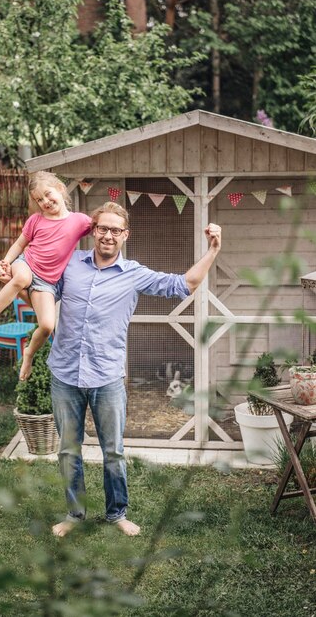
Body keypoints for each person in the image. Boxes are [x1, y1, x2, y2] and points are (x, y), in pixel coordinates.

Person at [46, 201, 222, 538]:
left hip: (107, 376)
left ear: (125, 235)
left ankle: (117, 514)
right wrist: (17, 279)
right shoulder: (70, 265)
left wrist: (213, 250)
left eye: (115, 230)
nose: (108, 235)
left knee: (113, 451)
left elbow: (183, 285)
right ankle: (74, 514)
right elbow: (42, 292)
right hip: (65, 373)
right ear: (93, 230)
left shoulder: (134, 274)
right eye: (103, 228)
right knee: (69, 449)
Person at [0, 171, 91, 380]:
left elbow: (99, 227)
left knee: (46, 325)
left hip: (47, 283)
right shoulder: (36, 220)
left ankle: (28, 354)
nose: (44, 202)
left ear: (60, 189)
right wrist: (6, 262)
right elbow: (19, 244)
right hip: (26, 264)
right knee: (22, 279)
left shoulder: (79, 221)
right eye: (38, 199)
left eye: (47, 195)